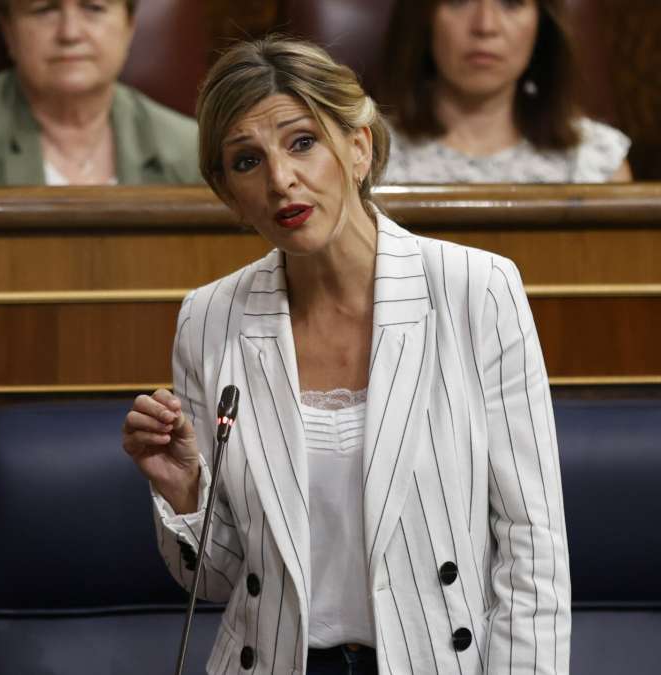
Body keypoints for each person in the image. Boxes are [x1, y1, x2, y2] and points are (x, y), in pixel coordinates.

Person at [122, 36, 569, 674]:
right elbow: (216, 580)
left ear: (359, 147)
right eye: (247, 161)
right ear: (229, 195)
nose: (281, 179)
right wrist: (185, 490)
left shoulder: (477, 289)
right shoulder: (208, 317)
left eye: (302, 142)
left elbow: (533, 547)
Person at [0, 0, 200, 186]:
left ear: (129, 27)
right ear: (8, 30)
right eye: (44, 9)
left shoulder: (186, 147)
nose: (70, 33)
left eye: (93, 8)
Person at [377, 0, 630, 183]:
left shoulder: (595, 160)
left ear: (541, 24)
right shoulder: (368, 155)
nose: (485, 26)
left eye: (511, 2)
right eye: (458, 1)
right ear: (424, 18)